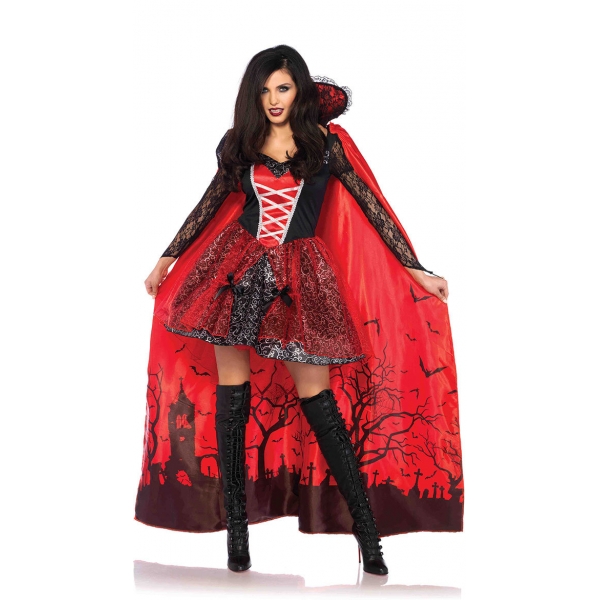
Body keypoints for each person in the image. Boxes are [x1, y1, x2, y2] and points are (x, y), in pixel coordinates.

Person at [135, 45, 463, 577]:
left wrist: (416, 269)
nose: (273, 100)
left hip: (300, 278)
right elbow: (210, 202)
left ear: (299, 91)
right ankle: (237, 534)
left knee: (321, 407)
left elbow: (371, 205)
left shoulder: (325, 144)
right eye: (265, 90)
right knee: (233, 406)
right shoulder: (240, 145)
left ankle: (369, 538)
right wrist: (165, 259)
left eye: (283, 88)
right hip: (237, 273)